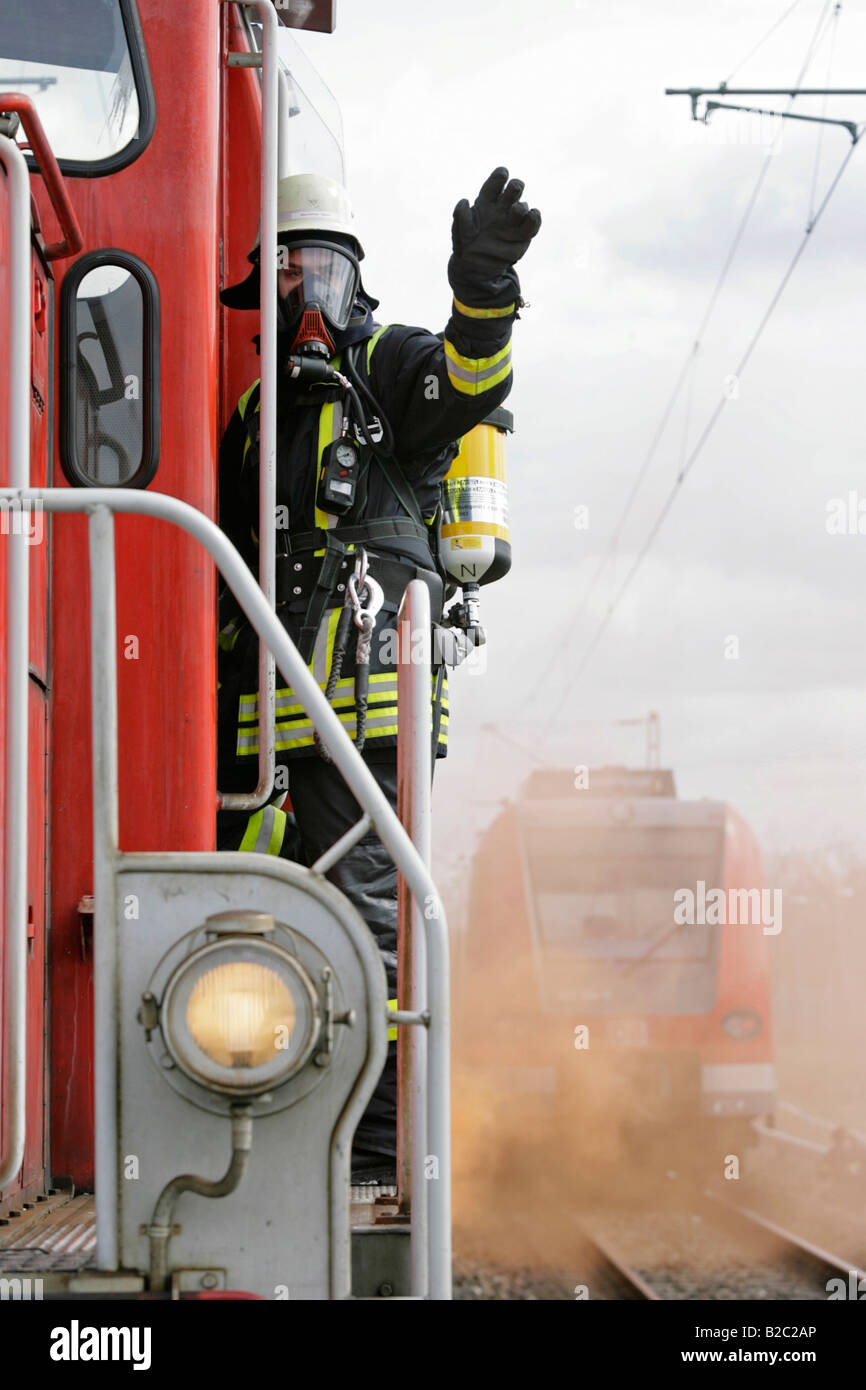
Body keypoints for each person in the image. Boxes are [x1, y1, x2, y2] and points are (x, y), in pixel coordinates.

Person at [217, 167, 541, 1183]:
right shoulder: (250, 412)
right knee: (245, 906)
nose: (298, 292)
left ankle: (376, 1149)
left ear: (353, 282)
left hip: (371, 701)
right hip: (264, 722)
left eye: (316, 268)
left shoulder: (387, 366)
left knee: (366, 913)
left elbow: (469, 380)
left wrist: (481, 292)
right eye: (279, 272)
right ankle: (260, 1125)